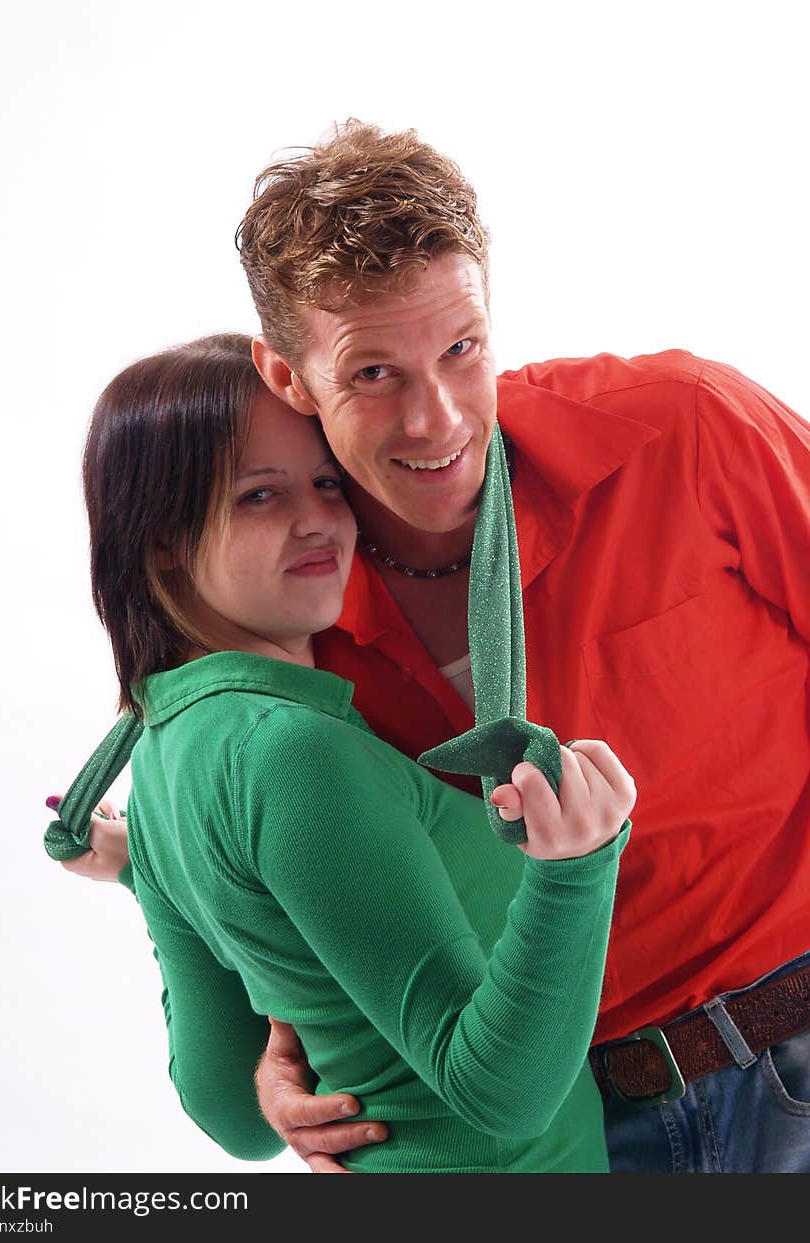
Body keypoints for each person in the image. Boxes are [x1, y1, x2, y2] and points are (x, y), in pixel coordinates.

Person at [64, 121, 810, 1174]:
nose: (436, 417)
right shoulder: (297, 625)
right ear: (287, 376)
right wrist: (286, 1054)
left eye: (461, 348)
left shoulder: (684, 427)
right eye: (372, 372)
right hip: (579, 1125)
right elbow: (347, 896)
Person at [72, 329, 634, 1173]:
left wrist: (147, 873)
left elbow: (235, 1113)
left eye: (326, 482)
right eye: (261, 495)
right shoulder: (292, 749)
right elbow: (503, 1095)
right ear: (161, 542)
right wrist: (574, 868)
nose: (319, 519)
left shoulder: (163, 759)